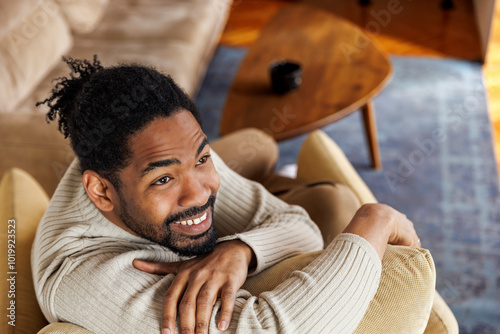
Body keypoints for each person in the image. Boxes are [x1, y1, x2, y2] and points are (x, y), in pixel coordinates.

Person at [32, 56, 425, 334]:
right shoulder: (81, 274)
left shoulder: (173, 147)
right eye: (164, 180)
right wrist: (375, 219)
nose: (199, 193)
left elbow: (301, 228)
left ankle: (271, 166)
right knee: (337, 205)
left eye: (203, 158)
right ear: (101, 191)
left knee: (271, 155)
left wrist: (241, 249)